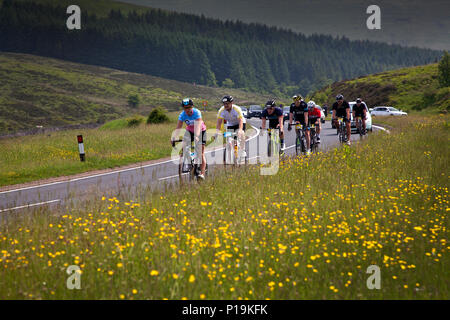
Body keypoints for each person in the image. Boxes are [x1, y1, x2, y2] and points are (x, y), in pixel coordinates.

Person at [171, 98, 207, 179]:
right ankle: (190, 161)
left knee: (201, 153)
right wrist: (174, 137)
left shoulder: (197, 113)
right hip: (190, 131)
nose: (187, 109)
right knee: (184, 145)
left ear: (192, 107)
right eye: (185, 108)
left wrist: (197, 136)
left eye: (189, 107)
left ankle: (202, 174)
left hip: (201, 131)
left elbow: (198, 126)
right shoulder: (182, 115)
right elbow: (178, 128)